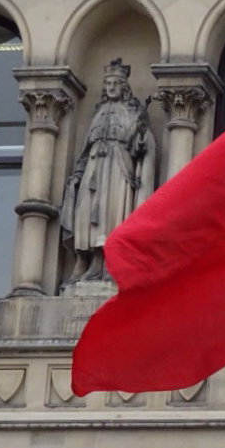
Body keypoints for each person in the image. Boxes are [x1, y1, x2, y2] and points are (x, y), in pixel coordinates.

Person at [61, 59, 157, 284]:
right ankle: (83, 261)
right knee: (86, 213)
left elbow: (140, 147)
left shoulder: (131, 112)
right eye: (108, 83)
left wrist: (142, 134)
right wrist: (78, 173)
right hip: (94, 169)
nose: (111, 87)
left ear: (124, 86)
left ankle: (104, 263)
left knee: (110, 215)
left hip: (118, 169)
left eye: (115, 83)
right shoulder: (98, 112)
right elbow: (86, 149)